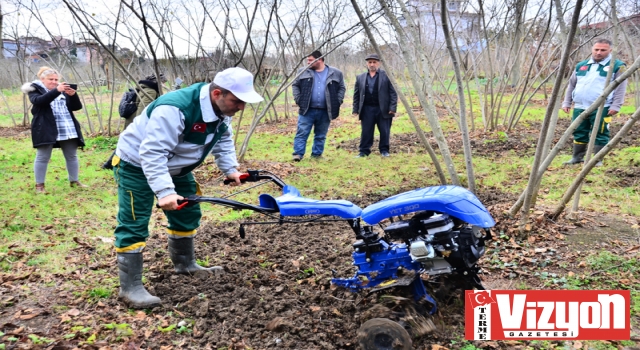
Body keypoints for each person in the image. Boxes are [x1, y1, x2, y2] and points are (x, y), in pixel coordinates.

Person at [111, 67, 263, 308]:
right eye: (237, 101)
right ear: (217, 94)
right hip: (136, 164)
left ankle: (185, 265)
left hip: (175, 167)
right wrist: (165, 192)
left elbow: (222, 139)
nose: (241, 107)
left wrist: (230, 169)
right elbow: (152, 152)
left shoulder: (222, 110)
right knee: (134, 220)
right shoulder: (175, 108)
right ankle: (130, 288)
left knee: (187, 211)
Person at [561, 38, 628, 167]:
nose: (598, 52)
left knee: (600, 132)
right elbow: (571, 85)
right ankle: (577, 157)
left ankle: (597, 160)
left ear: (610, 50)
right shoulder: (582, 65)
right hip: (580, 106)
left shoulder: (618, 66)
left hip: (603, 106)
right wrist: (567, 102)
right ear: (592, 49)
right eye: (596, 49)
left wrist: (616, 105)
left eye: (603, 50)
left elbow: (621, 87)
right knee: (579, 130)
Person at [22, 66, 87, 193]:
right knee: (42, 157)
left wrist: (73, 95)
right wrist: (57, 90)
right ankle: (39, 186)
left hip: (66, 125)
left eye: (56, 79)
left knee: (72, 155)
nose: (54, 81)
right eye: (50, 79)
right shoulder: (34, 89)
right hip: (45, 127)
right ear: (42, 79)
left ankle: (74, 181)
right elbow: (39, 101)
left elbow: (76, 107)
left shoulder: (62, 89)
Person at [291, 50, 346, 161]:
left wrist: (337, 101)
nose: (308, 63)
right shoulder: (303, 71)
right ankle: (298, 154)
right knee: (302, 132)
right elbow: (295, 85)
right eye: (307, 60)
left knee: (321, 134)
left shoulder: (335, 73)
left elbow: (342, 88)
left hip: (326, 110)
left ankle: (317, 155)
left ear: (319, 59)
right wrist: (298, 99)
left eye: (311, 60)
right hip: (307, 109)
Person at [352, 54, 398, 157]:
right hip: (367, 109)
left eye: (374, 62)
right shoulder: (360, 77)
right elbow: (356, 95)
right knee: (366, 131)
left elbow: (393, 93)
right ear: (367, 64)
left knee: (384, 130)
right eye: (370, 62)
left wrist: (392, 108)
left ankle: (384, 150)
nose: (372, 64)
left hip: (383, 109)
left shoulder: (387, 76)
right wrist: (355, 109)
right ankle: (364, 151)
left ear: (379, 63)